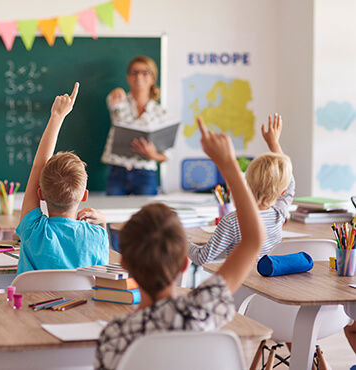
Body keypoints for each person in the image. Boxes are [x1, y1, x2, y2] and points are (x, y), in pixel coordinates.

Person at [95, 118, 265, 370]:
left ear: (124, 265)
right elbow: (253, 239)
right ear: (184, 264)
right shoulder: (201, 310)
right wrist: (228, 165)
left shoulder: (115, 335)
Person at [16, 82, 109, 275]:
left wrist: (56, 117)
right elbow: (102, 277)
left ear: (40, 194)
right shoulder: (97, 236)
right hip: (81, 306)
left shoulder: (34, 232)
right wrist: (103, 221)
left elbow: (37, 166)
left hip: (31, 305)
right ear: (84, 195)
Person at [188, 113, 294, 265]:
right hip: (267, 285)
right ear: (282, 191)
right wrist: (274, 143)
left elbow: (201, 257)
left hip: (240, 285)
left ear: (247, 183)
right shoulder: (279, 215)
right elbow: (289, 185)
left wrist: (180, 240)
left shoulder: (232, 221)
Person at [101, 55, 168, 196]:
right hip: (117, 171)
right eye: (134, 72)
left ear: (153, 78)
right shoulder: (119, 101)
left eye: (145, 72)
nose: (139, 77)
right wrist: (116, 93)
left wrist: (153, 155)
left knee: (147, 216)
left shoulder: (160, 112)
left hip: (145, 173)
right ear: (128, 77)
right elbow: (111, 102)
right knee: (114, 215)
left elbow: (166, 155)